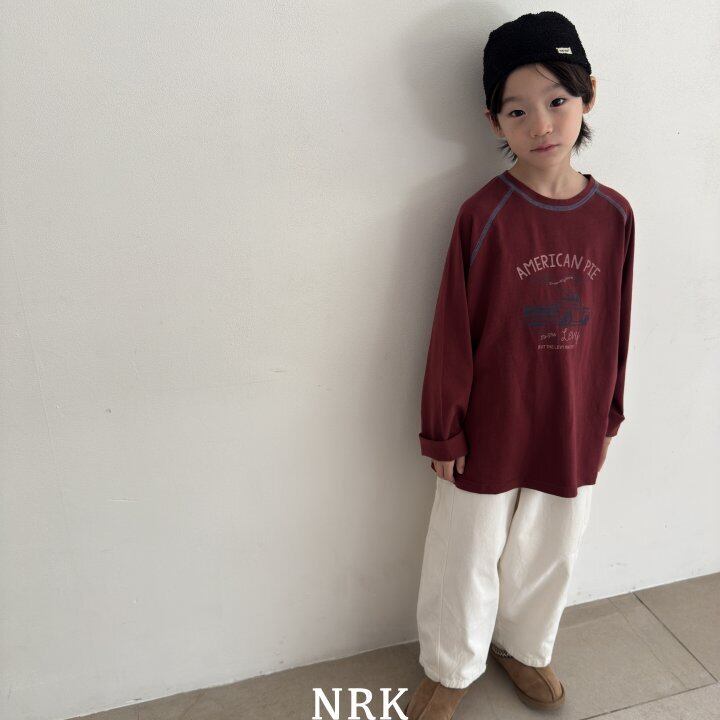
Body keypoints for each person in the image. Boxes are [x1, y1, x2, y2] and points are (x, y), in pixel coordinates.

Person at [405, 11, 635, 719]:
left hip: (572, 417)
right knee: (467, 548)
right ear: (494, 121)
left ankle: (525, 647)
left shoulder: (614, 215)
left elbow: (619, 320)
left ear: (588, 94)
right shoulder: (484, 215)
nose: (541, 124)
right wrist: (444, 429)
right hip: (491, 421)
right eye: (517, 110)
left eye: (557, 100)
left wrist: (609, 412)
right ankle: (452, 664)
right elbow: (452, 330)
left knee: (552, 545)